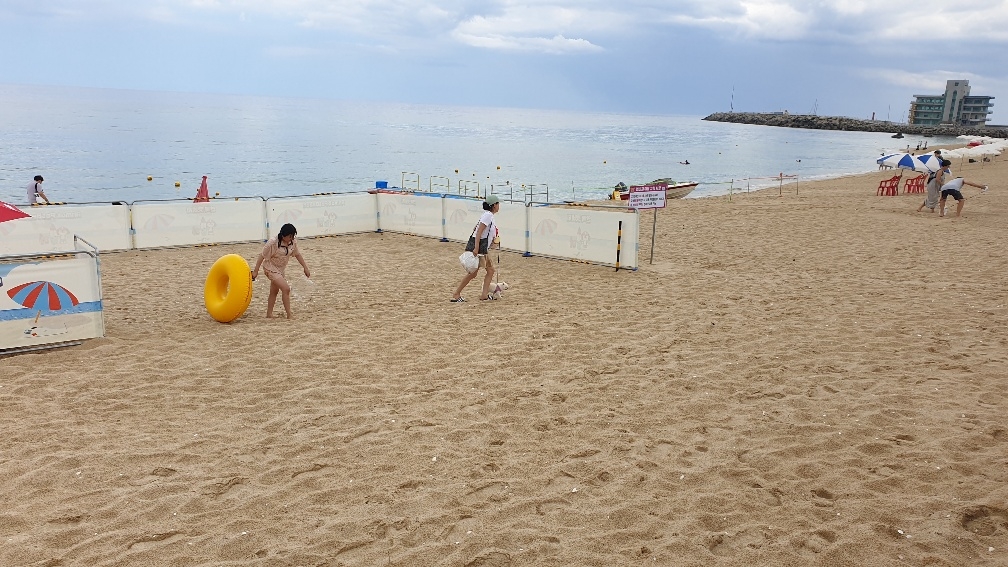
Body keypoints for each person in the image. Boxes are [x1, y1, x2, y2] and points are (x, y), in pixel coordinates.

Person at [252, 223, 310, 319]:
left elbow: (297, 254)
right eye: (290, 236)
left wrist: (305, 267)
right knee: (286, 288)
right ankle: (289, 315)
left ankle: (269, 314)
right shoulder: (272, 243)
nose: (292, 238)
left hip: (281, 269)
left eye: (293, 236)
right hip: (270, 268)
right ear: (283, 235)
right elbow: (262, 256)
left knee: (274, 291)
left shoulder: (293, 242)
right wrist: (255, 271)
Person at [451, 195, 500, 302]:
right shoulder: (487, 216)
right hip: (480, 249)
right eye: (498, 204)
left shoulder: (488, 215)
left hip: (483, 249)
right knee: (473, 273)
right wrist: (476, 247)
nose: (499, 206)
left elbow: (477, 229)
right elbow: (478, 231)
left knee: (490, 271)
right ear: (494, 205)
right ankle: (456, 293)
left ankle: (484, 295)